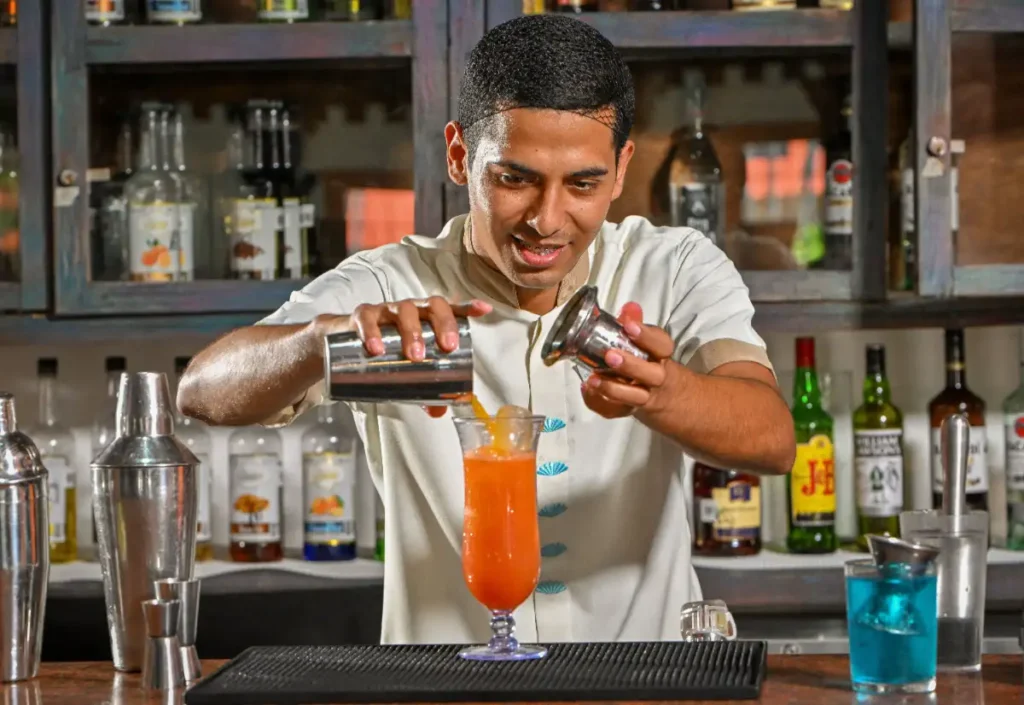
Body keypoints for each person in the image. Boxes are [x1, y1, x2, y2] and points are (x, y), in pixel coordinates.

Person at [178, 14, 795, 644]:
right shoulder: (389, 284)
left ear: (620, 168)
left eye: (582, 183)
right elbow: (202, 390)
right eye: (514, 179)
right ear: (459, 156)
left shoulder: (675, 267)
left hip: (643, 675)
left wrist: (662, 393)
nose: (547, 220)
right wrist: (319, 342)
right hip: (446, 679)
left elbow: (772, 441)